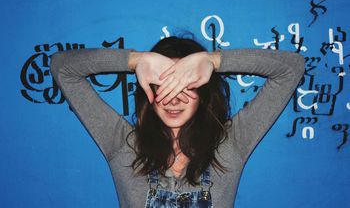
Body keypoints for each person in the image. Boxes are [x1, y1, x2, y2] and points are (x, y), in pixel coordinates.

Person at [50, 35, 305, 208]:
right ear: (147, 93)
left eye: (185, 86)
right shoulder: (123, 145)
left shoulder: (230, 144)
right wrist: (135, 60)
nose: (173, 99)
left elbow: (291, 68)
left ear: (203, 95)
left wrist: (213, 61)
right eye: (162, 86)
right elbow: (63, 68)